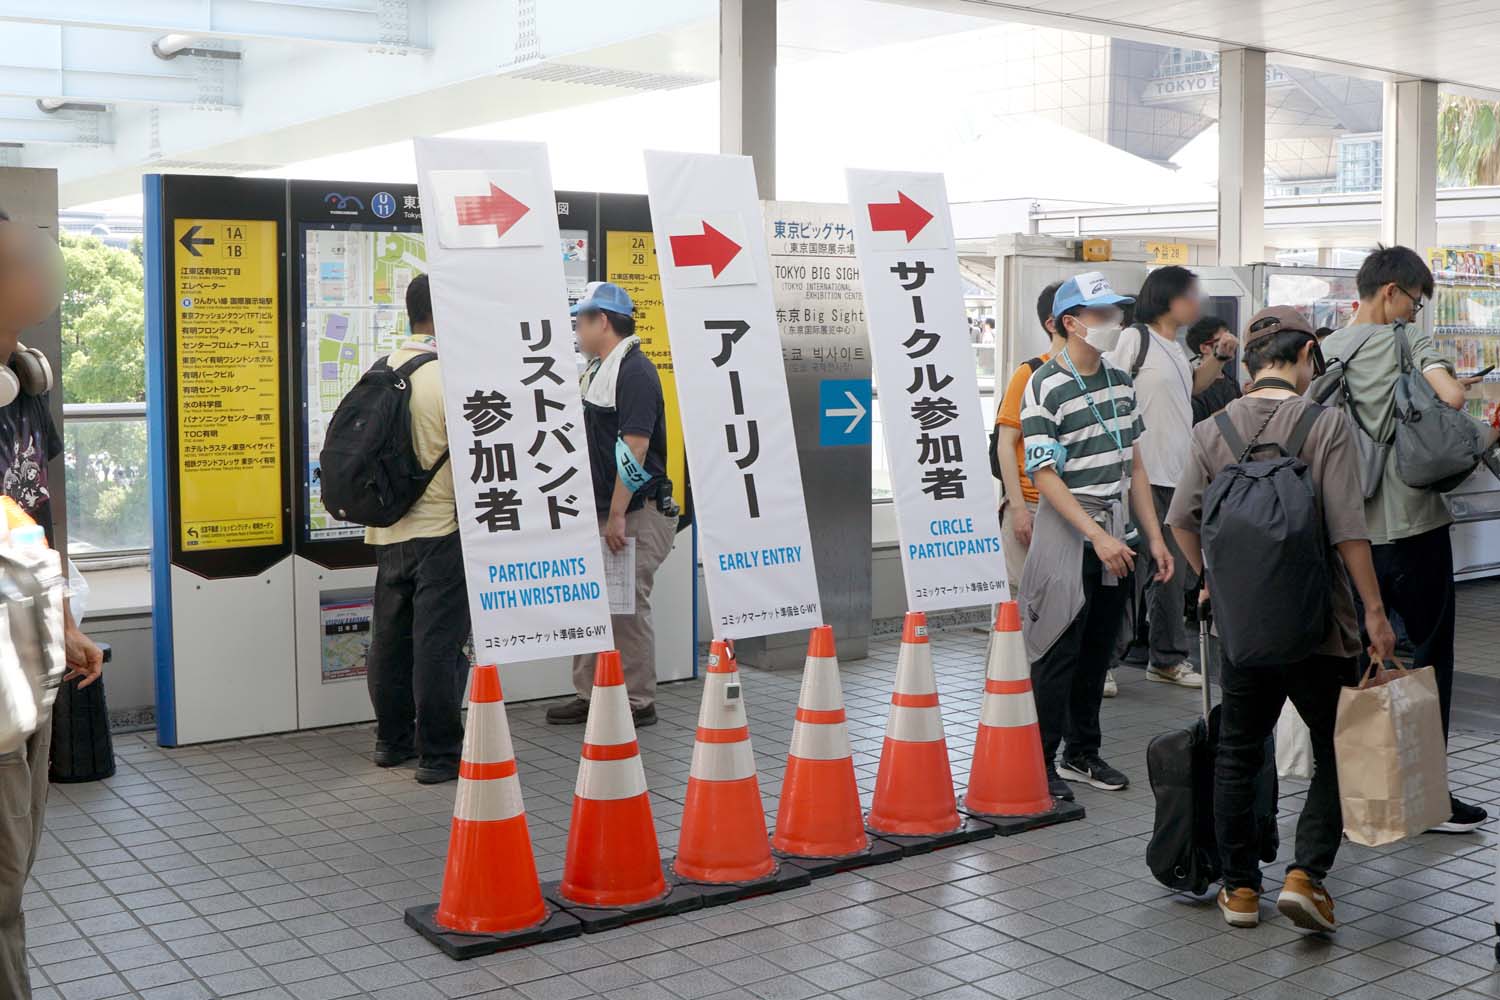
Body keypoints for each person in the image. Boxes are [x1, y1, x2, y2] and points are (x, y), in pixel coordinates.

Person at [1167, 306, 1397, 932]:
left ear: (1247, 364)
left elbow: (1181, 519)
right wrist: (1375, 612)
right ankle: (1306, 876)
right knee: (1336, 747)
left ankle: (1240, 889)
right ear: (1305, 359)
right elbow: (1349, 530)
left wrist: (1212, 581)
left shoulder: (1213, 429)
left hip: (1244, 627)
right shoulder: (1326, 424)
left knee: (1239, 750)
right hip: (1322, 624)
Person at [1321, 246, 1487, 833]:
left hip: (1351, 538)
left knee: (1354, 659)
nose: (1415, 313)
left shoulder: (1326, 348)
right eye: (1415, 302)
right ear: (1391, 291)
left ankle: (1346, 794)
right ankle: (1427, 796)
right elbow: (1451, 399)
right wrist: (1442, 377)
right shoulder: (1406, 342)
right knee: (1429, 658)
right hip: (1414, 526)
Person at [0, 208, 104, 999]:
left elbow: (35, 518)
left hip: (27, 671)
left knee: (14, 871)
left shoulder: (25, 386)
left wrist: (66, 622)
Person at [1020, 272, 1174, 799]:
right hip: (1067, 531)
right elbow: (1044, 476)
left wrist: (1153, 536)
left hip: (1115, 531)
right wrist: (1097, 538)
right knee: (1057, 651)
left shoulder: (1118, 380)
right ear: (1072, 322)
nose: (1113, 322)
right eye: (1102, 314)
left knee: (1098, 650)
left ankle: (1081, 754)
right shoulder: (1044, 384)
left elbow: (1135, 466)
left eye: (1114, 312)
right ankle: (1038, 763)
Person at [549, 282, 677, 728]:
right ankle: (590, 694)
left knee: (624, 609)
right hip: (603, 509)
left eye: (579, 322)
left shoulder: (634, 372)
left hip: (634, 510)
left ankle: (639, 701)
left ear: (601, 321)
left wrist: (618, 513)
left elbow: (635, 448)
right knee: (593, 604)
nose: (576, 331)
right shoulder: (598, 370)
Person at [364, 273, 467, 786]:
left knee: (390, 638)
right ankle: (441, 753)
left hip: (388, 531)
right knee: (437, 642)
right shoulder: (447, 376)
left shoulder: (384, 369)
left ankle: (391, 741)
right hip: (441, 528)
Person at [1105, 266, 1201, 688]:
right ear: (1168, 298)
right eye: (1190, 294)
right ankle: (1104, 663)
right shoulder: (1134, 338)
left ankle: (1166, 658)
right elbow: (1109, 394)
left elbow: (1185, 398)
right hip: (1140, 475)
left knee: (1170, 574)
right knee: (1129, 574)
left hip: (1177, 475)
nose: (1197, 302)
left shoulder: (1176, 347)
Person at [994, 282, 1063, 591]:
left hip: (1075, 507)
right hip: (1032, 505)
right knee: (1021, 605)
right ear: (1053, 323)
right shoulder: (1030, 373)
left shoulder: (1104, 375)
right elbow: (1005, 444)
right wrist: (1019, 508)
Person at [1186, 316, 1242, 424]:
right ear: (1204, 348)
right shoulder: (1195, 388)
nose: (1232, 343)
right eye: (1223, 340)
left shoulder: (1231, 382)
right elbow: (1199, 428)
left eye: (1230, 336)